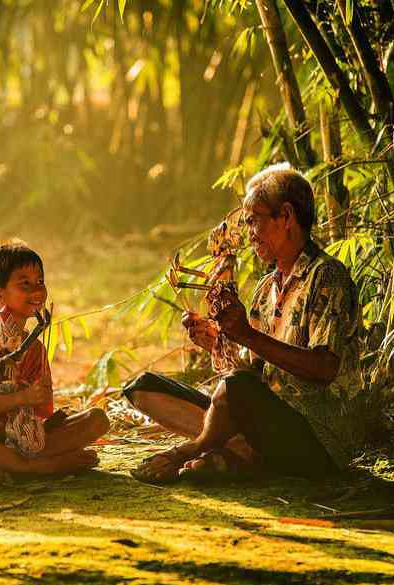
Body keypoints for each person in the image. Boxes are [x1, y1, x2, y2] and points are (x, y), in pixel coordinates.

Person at [125, 163, 366, 483]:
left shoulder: (327, 276)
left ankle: (194, 449)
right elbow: (249, 373)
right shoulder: (267, 289)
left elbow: (323, 369)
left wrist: (247, 336)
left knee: (237, 391)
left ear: (287, 216)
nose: (250, 234)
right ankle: (237, 450)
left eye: (254, 221)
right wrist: (216, 342)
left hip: (315, 439)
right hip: (261, 420)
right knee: (143, 388)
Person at [0, 242, 109, 475]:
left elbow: (38, 417)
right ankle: (43, 467)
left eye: (40, 282)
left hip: (14, 440)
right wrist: (22, 397)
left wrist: (43, 412)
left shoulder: (35, 348)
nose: (36, 291)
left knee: (97, 419)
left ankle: (14, 464)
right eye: (24, 284)